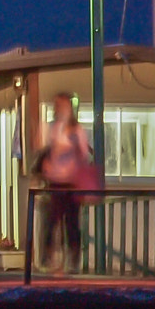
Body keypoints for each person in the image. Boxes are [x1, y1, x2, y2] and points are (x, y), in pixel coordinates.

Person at [37, 92, 96, 270]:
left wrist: (68, 150)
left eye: (61, 106)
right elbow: (42, 149)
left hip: (71, 182)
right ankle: (49, 257)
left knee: (71, 222)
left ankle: (73, 257)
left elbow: (84, 154)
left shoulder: (76, 130)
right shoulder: (50, 128)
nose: (58, 110)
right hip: (53, 182)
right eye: (57, 106)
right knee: (51, 221)